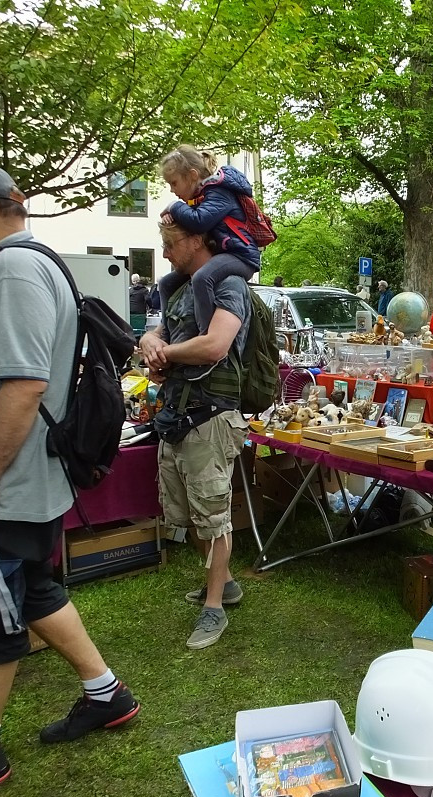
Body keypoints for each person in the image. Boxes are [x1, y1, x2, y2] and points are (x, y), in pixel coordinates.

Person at [0, 162, 140, 797]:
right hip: (6, 487)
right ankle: (107, 696)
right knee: (32, 590)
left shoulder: (13, 269)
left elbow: (25, 383)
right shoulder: (2, 267)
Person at [139, 222, 251, 651]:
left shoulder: (228, 284)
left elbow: (215, 345)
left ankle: (215, 607)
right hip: (177, 415)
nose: (165, 254)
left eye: (169, 245)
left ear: (196, 240)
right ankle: (225, 584)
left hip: (211, 418)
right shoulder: (183, 289)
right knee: (187, 513)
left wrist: (163, 352)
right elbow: (161, 333)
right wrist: (151, 341)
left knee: (213, 515)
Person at [156, 145, 259, 335]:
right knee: (165, 283)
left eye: (174, 183)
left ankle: (205, 334)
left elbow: (199, 222)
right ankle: (165, 333)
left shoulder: (219, 192)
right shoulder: (202, 197)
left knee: (202, 278)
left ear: (193, 175)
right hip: (224, 254)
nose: (172, 190)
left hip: (241, 256)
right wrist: (174, 214)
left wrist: (174, 206)